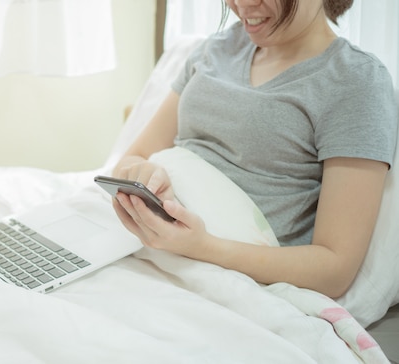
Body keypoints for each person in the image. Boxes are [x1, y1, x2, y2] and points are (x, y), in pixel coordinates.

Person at [111, 0, 398, 298]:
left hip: (218, 273)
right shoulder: (216, 49)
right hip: (141, 242)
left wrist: (201, 246)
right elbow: (135, 157)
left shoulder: (354, 80)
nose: (242, 3)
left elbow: (333, 269)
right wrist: (142, 176)